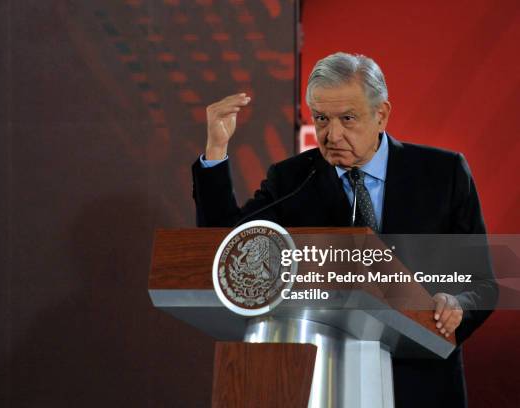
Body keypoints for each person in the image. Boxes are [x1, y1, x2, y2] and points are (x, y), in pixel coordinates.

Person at [191, 52, 498, 407]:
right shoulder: (292, 178)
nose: (331, 134)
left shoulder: (443, 174)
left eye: (347, 119)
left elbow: (483, 284)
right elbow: (223, 249)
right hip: (320, 383)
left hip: (421, 385)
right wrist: (216, 149)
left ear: (381, 115)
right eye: (321, 119)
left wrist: (457, 305)